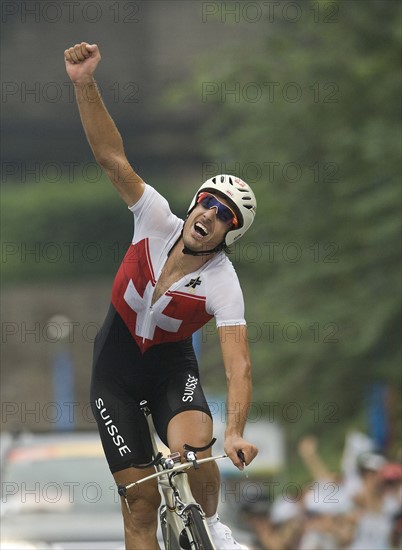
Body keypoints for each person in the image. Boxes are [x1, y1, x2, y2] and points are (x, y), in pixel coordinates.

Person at [64, 42, 259, 550]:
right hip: (115, 371)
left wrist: (235, 433)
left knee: (197, 450)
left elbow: (239, 367)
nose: (210, 215)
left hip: (171, 367)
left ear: (228, 235)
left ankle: (211, 525)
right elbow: (111, 157)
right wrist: (85, 83)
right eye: (208, 203)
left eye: (224, 216)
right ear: (194, 203)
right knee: (141, 503)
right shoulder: (154, 218)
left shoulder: (223, 282)